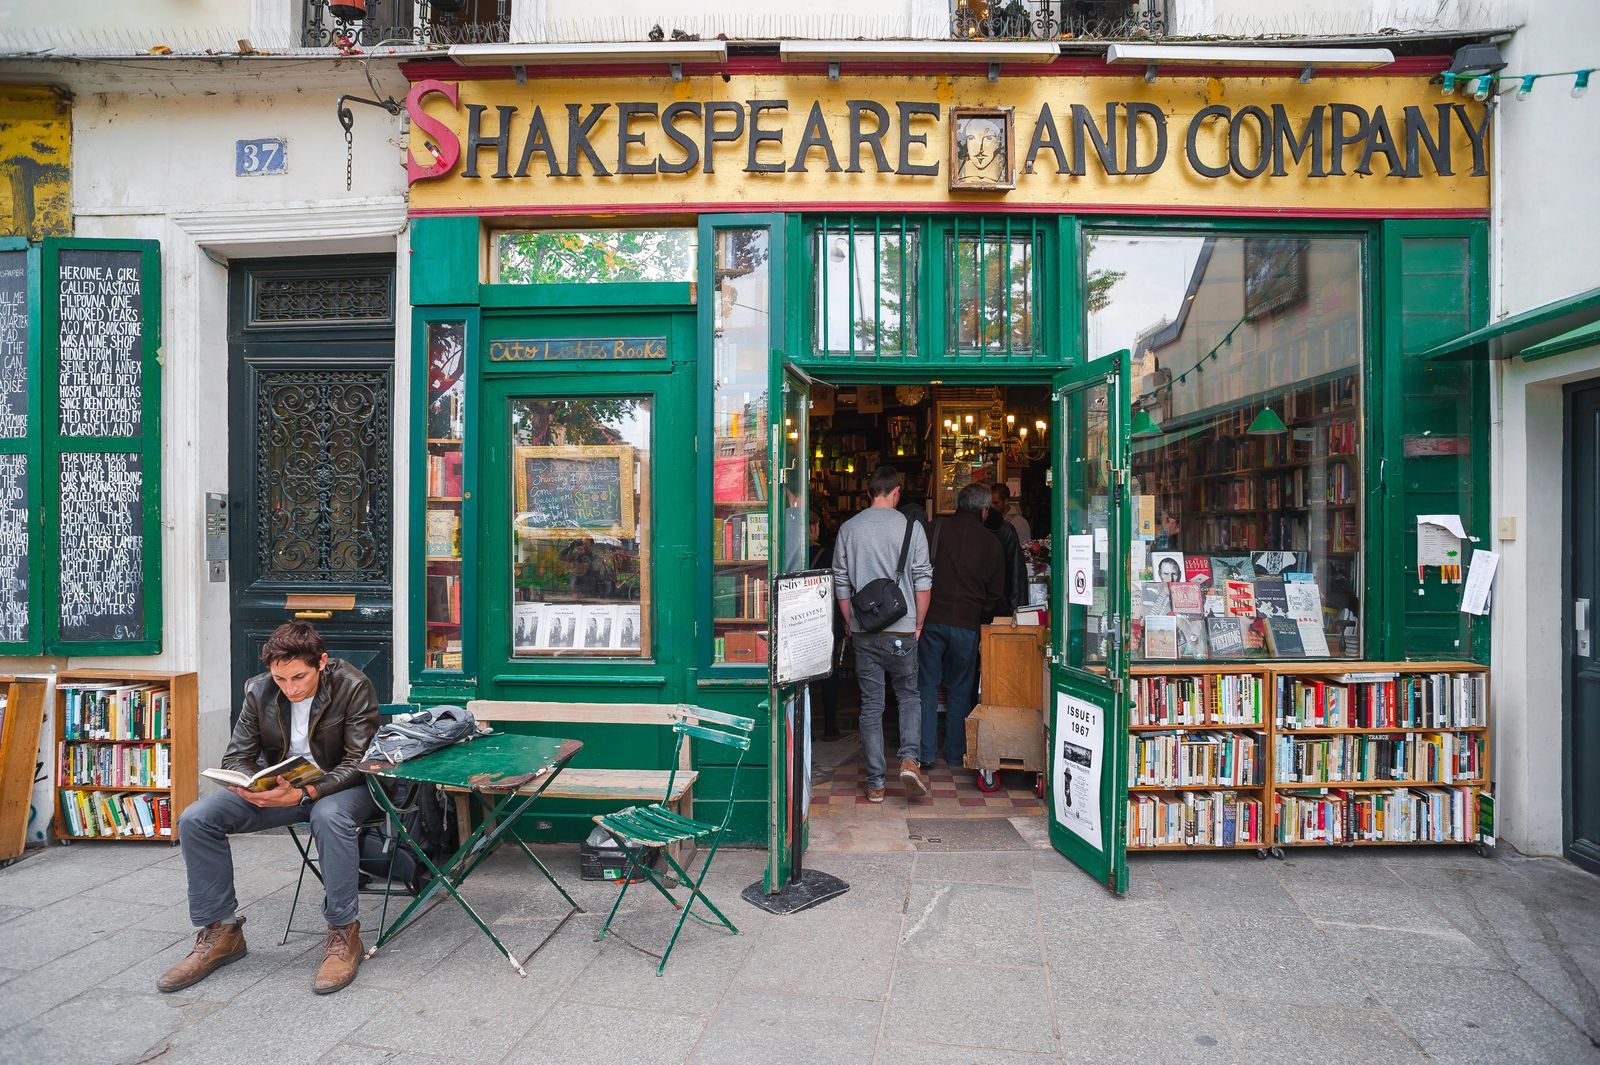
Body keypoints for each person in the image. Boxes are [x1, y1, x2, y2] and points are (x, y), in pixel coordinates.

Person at [158, 622, 379, 996]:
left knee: (328, 816)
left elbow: (359, 762)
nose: (290, 688)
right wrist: (255, 786)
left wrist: (306, 792)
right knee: (196, 818)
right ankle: (221, 932)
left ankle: (344, 933)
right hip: (282, 790)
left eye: (299, 677)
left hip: (343, 788)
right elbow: (237, 756)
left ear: (321, 662)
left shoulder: (352, 685)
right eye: (280, 679)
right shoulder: (259, 690)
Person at [833, 466, 932, 801]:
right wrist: (918, 623)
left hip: (865, 632)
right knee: (908, 696)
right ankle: (909, 760)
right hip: (902, 630)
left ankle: (876, 783)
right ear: (897, 492)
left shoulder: (849, 528)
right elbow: (923, 580)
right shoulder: (912, 528)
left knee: (872, 705)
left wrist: (850, 622)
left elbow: (841, 583)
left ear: (869, 493)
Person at [919, 482, 1004, 770]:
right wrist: (979, 611)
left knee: (926, 685)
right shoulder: (991, 542)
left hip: (931, 620)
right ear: (984, 510)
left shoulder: (934, 529)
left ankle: (926, 753)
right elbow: (995, 592)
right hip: (967, 624)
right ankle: (955, 753)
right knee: (960, 689)